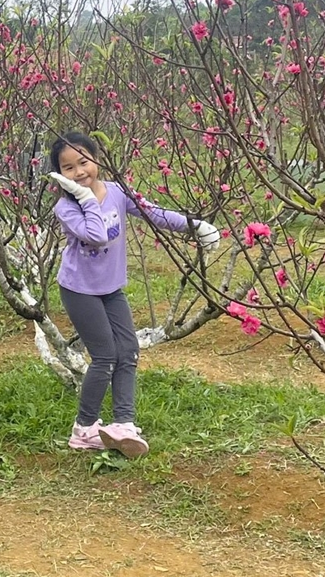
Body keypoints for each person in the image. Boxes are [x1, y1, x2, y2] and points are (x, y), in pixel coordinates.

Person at [48, 131, 219, 459]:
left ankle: (123, 425)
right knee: (105, 355)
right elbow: (96, 237)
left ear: (97, 158)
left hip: (111, 287)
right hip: (79, 289)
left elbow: (153, 212)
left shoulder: (116, 192)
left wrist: (194, 226)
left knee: (128, 350)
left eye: (84, 161)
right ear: (60, 175)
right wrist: (85, 199)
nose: (79, 171)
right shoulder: (65, 209)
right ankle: (84, 429)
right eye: (68, 168)